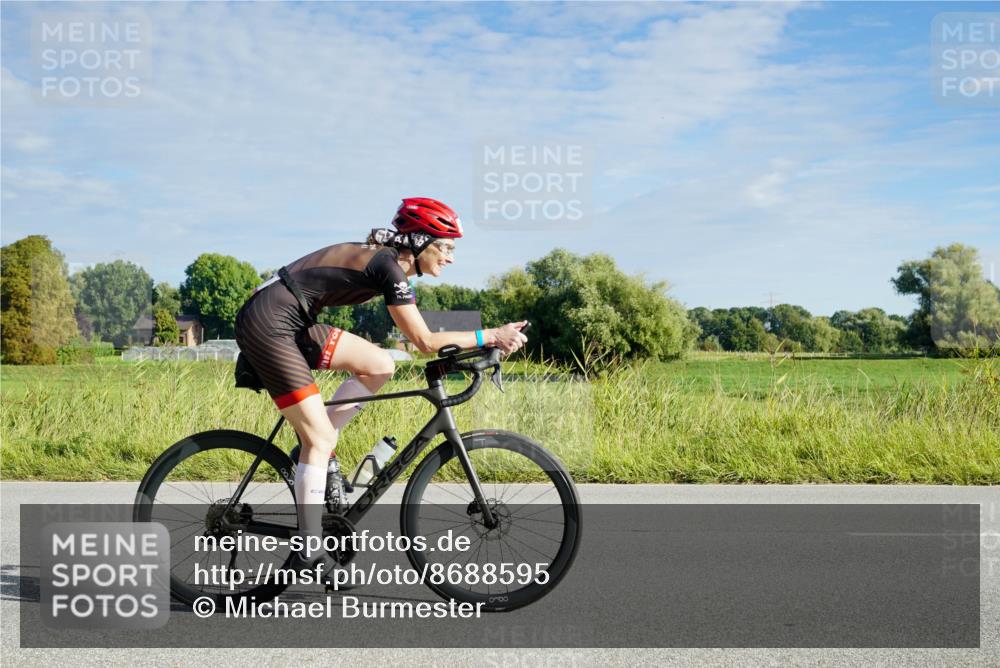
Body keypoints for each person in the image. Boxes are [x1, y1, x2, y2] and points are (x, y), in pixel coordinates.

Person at [234, 197, 528, 576]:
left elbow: (417, 344)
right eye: (447, 247)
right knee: (319, 438)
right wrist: (491, 335)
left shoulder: (389, 264)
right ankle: (309, 548)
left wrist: (485, 343)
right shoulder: (388, 268)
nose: (452, 257)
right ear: (422, 240)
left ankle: (315, 452)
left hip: (291, 317)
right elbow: (423, 341)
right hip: (269, 322)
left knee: (380, 365)